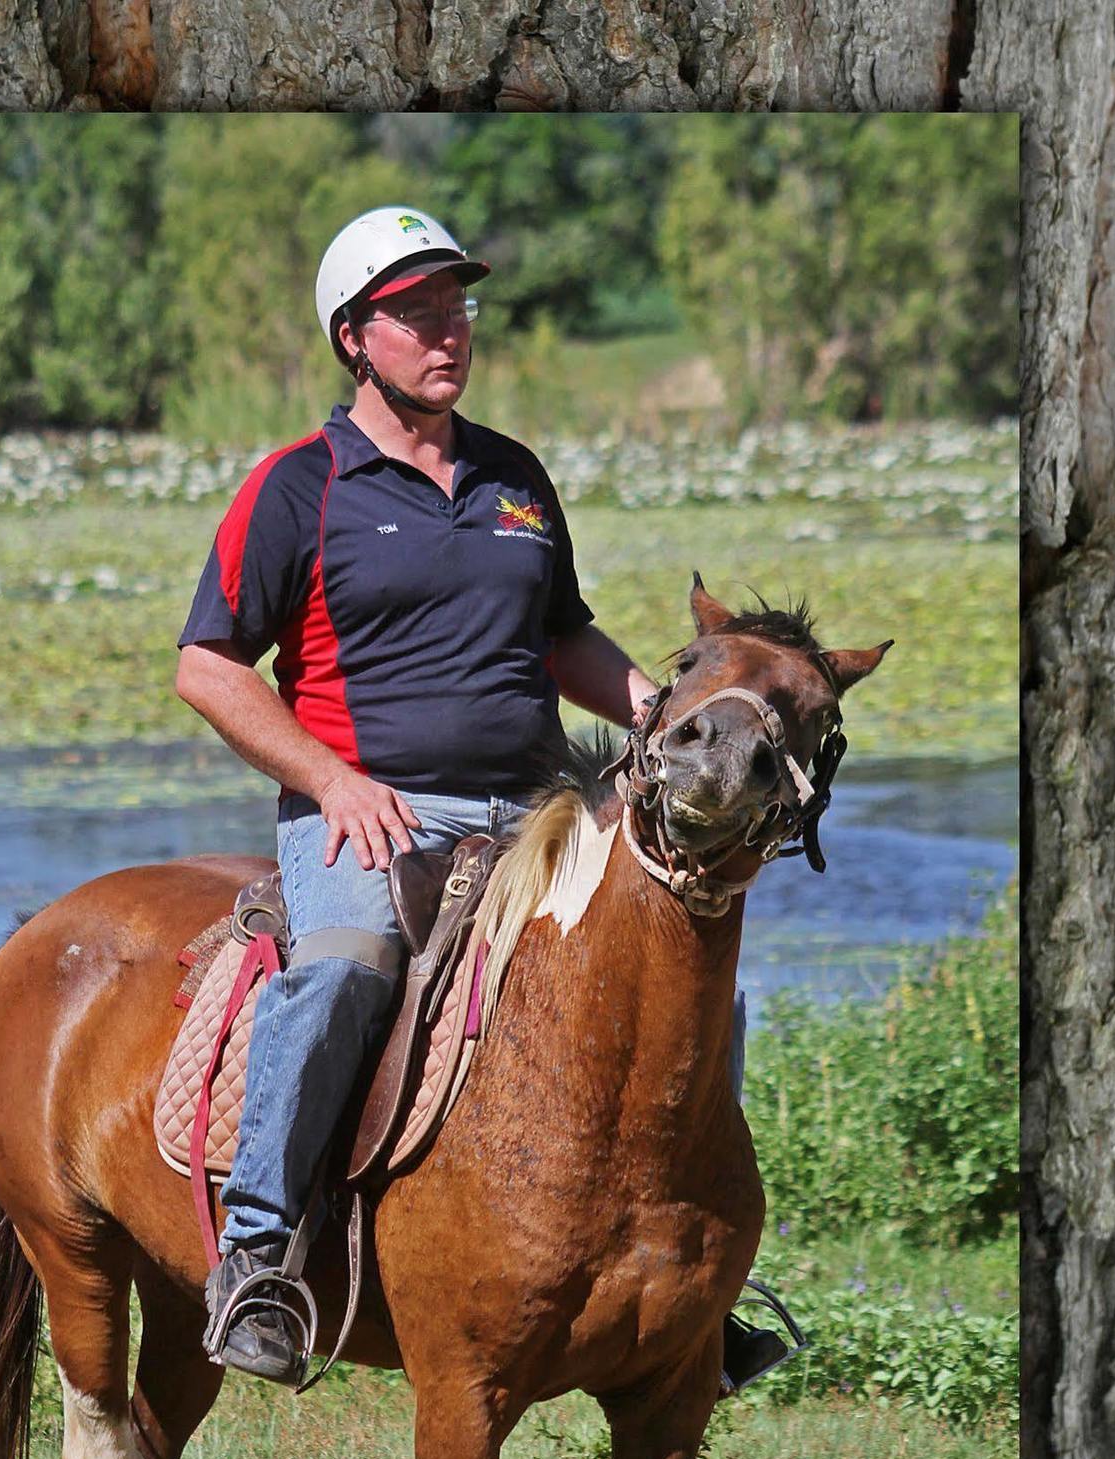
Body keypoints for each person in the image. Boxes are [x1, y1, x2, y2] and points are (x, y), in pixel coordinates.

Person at [176, 205, 784, 1391]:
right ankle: (258, 1253)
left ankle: (700, 1281)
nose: (448, 332)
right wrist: (332, 780)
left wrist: (660, 724)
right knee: (348, 970)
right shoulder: (298, 488)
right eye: (417, 313)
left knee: (688, 966)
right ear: (356, 337)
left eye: (457, 307)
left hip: (542, 808)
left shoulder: (514, 477)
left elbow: (562, 639)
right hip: (372, 808)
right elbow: (206, 667)